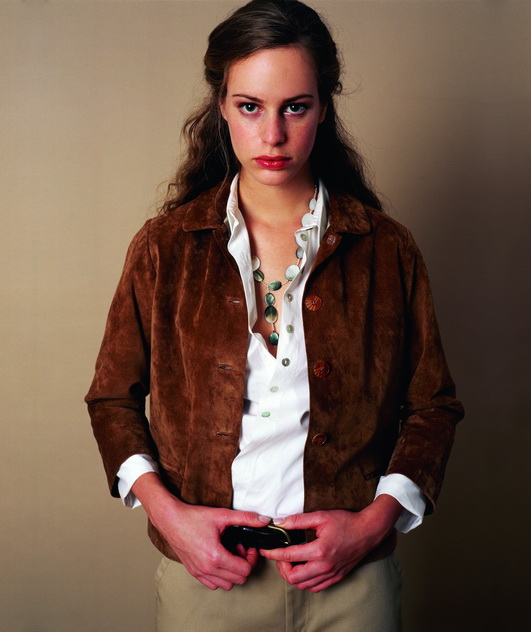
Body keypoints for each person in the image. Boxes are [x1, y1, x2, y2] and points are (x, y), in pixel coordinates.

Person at [85, 1, 464, 630]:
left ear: (324, 108)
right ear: (221, 106)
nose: (272, 135)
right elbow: (111, 400)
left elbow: (433, 408)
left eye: (295, 107)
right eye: (249, 106)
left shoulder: (387, 248)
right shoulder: (164, 247)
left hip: (352, 582)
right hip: (208, 580)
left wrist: (371, 526)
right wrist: (170, 519)